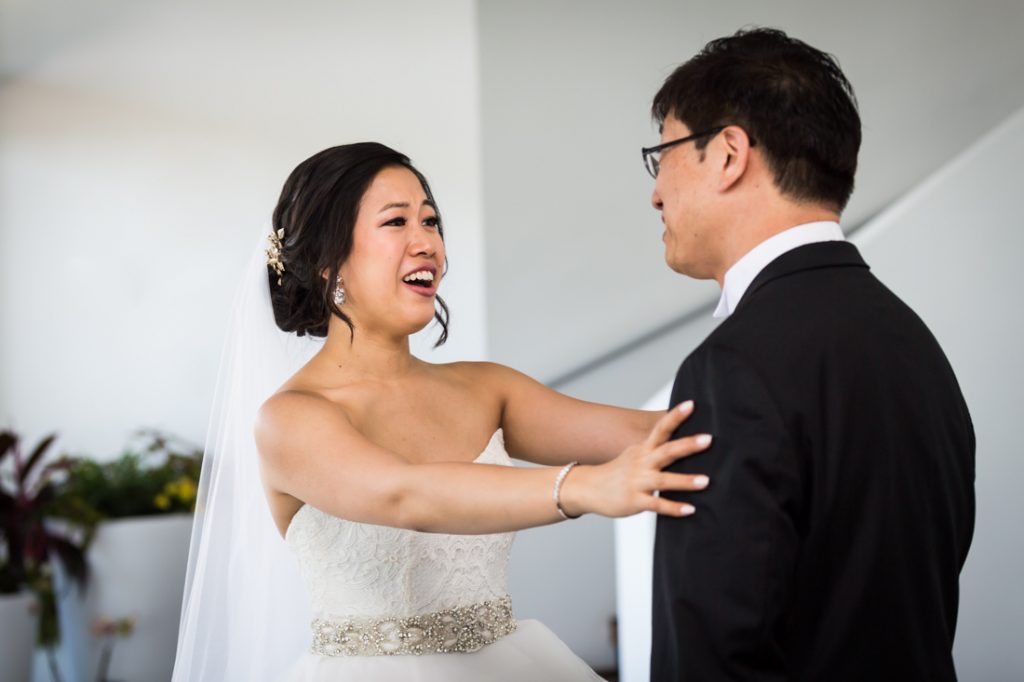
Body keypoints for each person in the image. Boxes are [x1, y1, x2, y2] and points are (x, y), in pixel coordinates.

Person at [172, 142, 711, 682]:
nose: (425, 241)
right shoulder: (291, 418)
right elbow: (404, 494)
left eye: (430, 220)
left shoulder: (487, 388)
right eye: (396, 222)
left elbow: (652, 432)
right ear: (326, 259)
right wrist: (583, 488)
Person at [644, 28, 975, 681]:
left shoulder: (730, 368)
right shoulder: (916, 345)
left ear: (729, 153)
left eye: (664, 155)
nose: (656, 192)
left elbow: (712, 651)